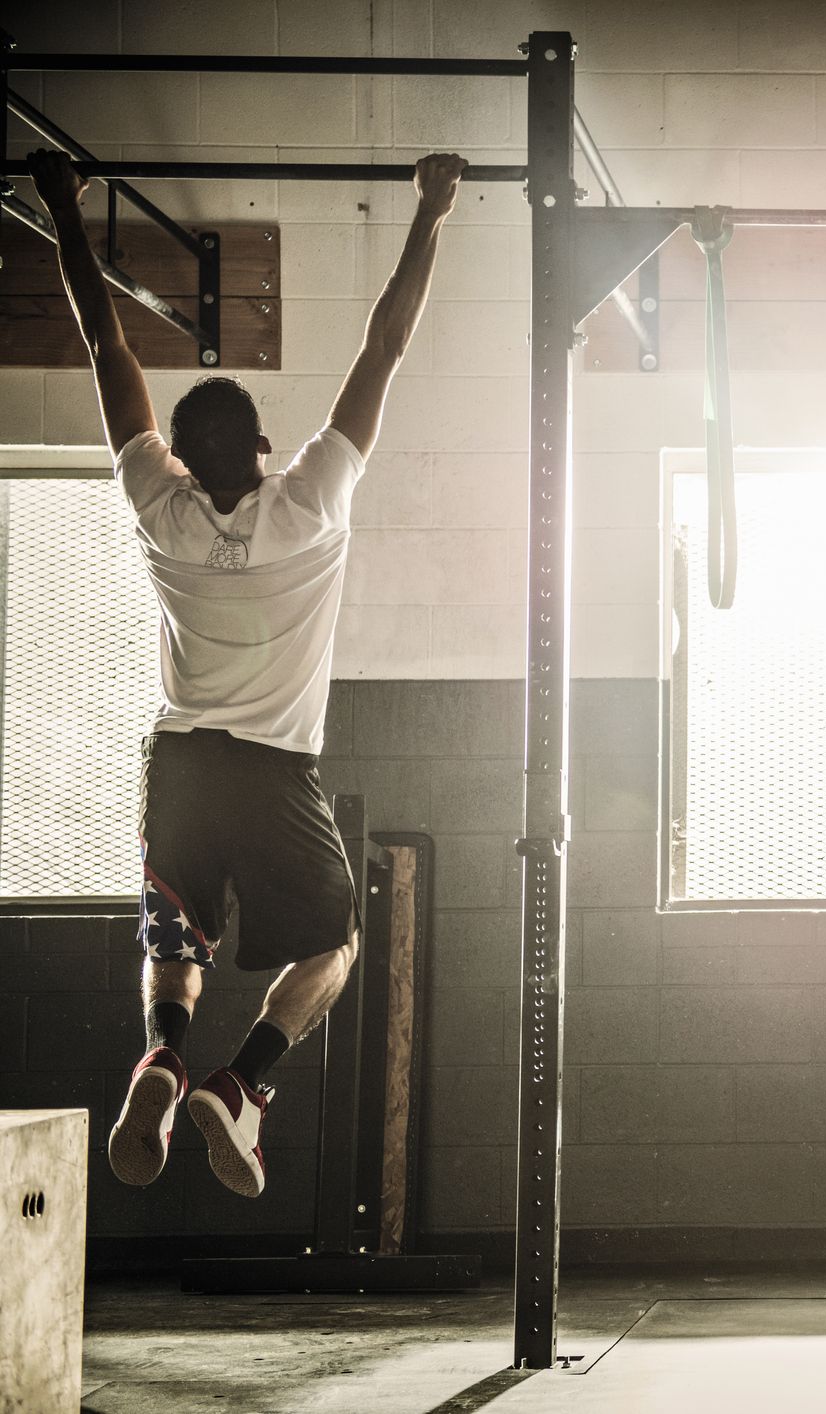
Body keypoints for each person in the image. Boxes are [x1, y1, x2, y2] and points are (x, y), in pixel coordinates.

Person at [27, 147, 467, 1198]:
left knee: (174, 938)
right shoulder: (310, 501)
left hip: (179, 764)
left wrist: (63, 212)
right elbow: (385, 344)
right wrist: (433, 210)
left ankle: (164, 1059)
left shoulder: (156, 506)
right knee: (335, 946)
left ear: (178, 455)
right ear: (265, 447)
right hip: (275, 772)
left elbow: (106, 341)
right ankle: (240, 1088)